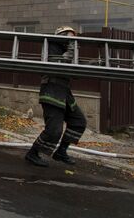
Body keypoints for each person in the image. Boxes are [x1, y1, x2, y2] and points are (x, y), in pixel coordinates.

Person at [25, 26, 87, 167]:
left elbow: (74, 72)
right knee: (54, 130)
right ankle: (33, 153)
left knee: (79, 122)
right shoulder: (50, 46)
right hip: (52, 92)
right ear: (61, 36)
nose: (72, 41)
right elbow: (60, 64)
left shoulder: (67, 51)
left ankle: (61, 152)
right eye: (70, 38)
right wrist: (72, 49)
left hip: (64, 93)